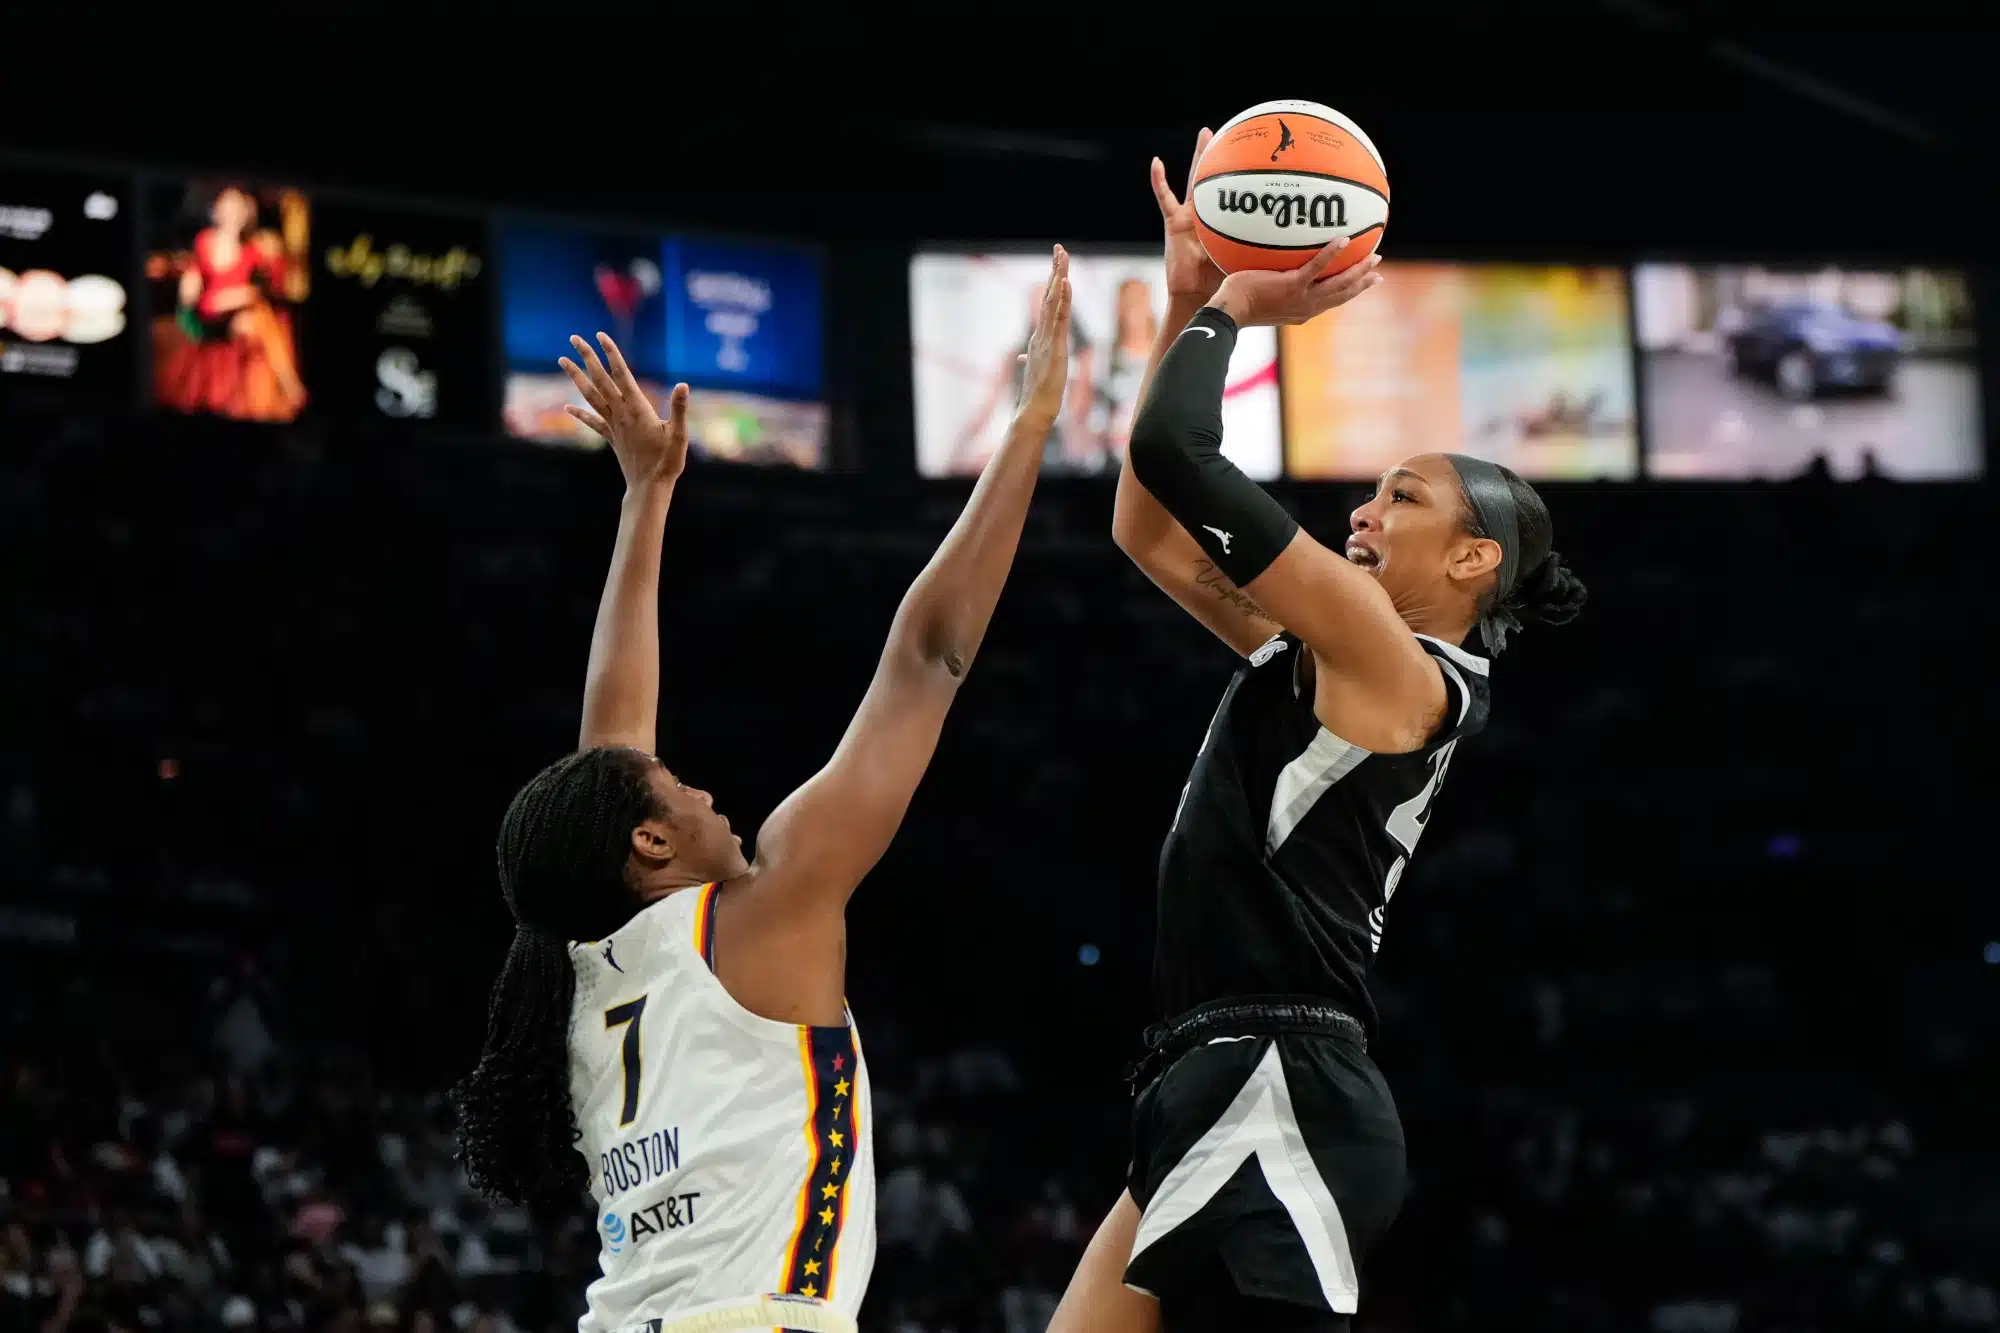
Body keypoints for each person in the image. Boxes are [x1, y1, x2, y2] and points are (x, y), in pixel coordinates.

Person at [449, 249, 1073, 1333]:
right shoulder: (761, 909)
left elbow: (611, 744)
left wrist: (648, 496)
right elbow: (926, 655)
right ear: (649, 843)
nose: (707, 793)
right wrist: (1028, 425)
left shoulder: (577, 976)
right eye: (679, 786)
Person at [1049, 134, 1589, 1333]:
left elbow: (1176, 452)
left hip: (1277, 1078)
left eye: (1403, 496)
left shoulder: (1386, 659)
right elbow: (1146, 528)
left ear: (1473, 559)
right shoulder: (1336, 646)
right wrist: (1186, 300)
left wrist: (1238, 307)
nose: (1363, 508)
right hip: (1214, 1071)